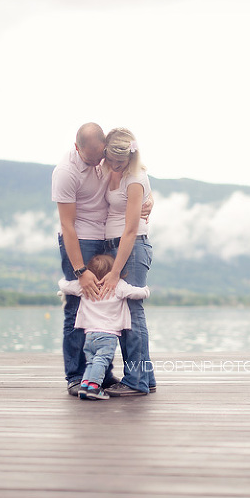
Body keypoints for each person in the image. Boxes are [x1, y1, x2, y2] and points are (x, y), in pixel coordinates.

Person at [51, 122, 152, 396]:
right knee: (77, 306)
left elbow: (136, 184)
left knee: (118, 307)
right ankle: (77, 376)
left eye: (103, 157)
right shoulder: (66, 173)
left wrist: (149, 198)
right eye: (96, 158)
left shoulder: (110, 162)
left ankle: (118, 376)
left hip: (112, 243)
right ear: (78, 148)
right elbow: (67, 226)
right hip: (81, 242)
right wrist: (80, 270)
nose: (102, 164)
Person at [99, 128, 156, 397]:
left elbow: (131, 230)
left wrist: (115, 271)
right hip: (115, 247)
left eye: (119, 162)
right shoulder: (109, 168)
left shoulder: (135, 179)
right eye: (110, 160)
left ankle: (136, 380)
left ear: (130, 157)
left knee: (133, 315)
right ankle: (146, 377)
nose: (114, 165)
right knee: (126, 315)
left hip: (131, 249)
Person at [58, 254, 150, 400]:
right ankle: (94, 388)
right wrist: (146, 290)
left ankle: (84, 386)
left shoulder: (84, 287)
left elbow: (65, 286)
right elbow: (137, 293)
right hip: (108, 335)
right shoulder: (118, 285)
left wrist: (63, 280)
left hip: (89, 334)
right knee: (101, 360)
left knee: (91, 361)